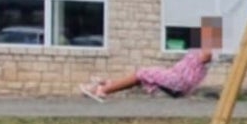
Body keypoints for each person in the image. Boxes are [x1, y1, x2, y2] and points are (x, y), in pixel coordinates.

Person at [80, 17, 221, 101]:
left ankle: (104, 89)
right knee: (141, 77)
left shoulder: (209, 51)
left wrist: (209, 36)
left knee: (143, 73)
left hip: (180, 82)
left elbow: (205, 57)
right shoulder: (199, 48)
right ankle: (106, 86)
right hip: (175, 77)